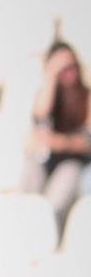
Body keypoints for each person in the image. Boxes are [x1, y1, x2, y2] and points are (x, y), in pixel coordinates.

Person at [28, 42, 91, 217]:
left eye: (72, 66)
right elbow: (40, 118)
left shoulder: (87, 96)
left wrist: (61, 143)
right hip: (47, 162)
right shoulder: (47, 96)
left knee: (57, 198)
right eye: (63, 69)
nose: (70, 72)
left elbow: (87, 141)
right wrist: (51, 78)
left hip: (76, 162)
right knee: (29, 177)